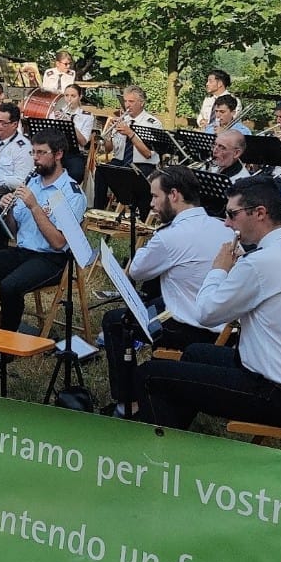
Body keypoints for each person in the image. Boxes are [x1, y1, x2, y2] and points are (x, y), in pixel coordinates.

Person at [137, 176, 281, 433]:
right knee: (196, 352)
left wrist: (219, 270)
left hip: (280, 394)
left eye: (232, 215)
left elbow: (206, 314)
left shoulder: (260, 263)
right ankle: (174, 430)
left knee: (150, 375)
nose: (226, 223)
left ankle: (160, 456)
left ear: (259, 213)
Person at [101, 167, 235, 418]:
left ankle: (127, 402)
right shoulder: (223, 227)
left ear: (174, 195)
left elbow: (137, 271)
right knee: (157, 303)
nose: (151, 204)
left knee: (115, 322)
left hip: (189, 329)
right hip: (224, 330)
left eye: (154, 197)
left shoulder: (171, 235)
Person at [0, 129, 86, 333]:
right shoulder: (32, 182)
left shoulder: (72, 193)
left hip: (51, 259)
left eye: (41, 153)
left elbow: (59, 242)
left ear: (58, 154)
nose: (35, 159)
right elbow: (14, 232)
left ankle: (8, 343)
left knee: (10, 286)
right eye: (33, 152)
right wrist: (7, 212)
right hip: (22, 251)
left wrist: (34, 207)